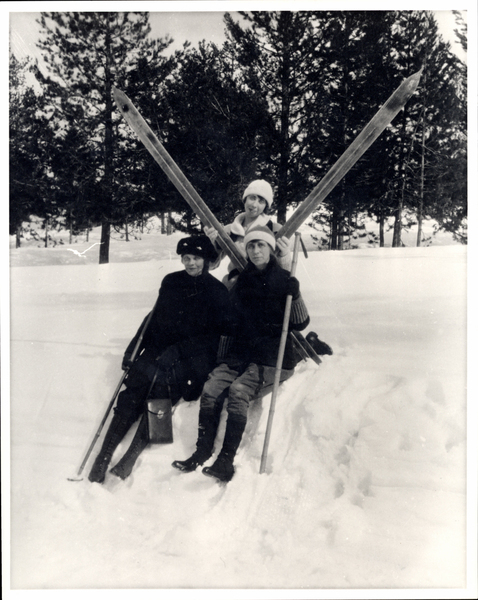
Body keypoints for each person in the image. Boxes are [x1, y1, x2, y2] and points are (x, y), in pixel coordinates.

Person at [172, 225, 310, 483]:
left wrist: (296, 293)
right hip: (242, 353)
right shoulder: (243, 280)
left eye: (261, 245)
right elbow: (230, 320)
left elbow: (301, 322)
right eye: (251, 246)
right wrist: (223, 357)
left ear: (270, 249)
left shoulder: (284, 279)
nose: (256, 250)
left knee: (238, 391)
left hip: (271, 358)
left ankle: (226, 460)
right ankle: (202, 451)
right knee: (212, 387)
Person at [88, 235, 231, 484]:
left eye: (196, 258)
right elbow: (153, 318)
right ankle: (103, 456)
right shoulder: (171, 281)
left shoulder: (217, 290)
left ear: (207, 260)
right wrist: (134, 348)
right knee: (134, 389)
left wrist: (178, 351)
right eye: (186, 258)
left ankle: (130, 457)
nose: (191, 263)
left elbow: (212, 337)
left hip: (193, 357)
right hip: (161, 347)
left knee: (162, 392)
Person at [204, 179, 292, 288]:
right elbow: (210, 266)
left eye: (261, 201)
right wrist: (213, 245)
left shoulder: (275, 229)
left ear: (266, 206)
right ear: (245, 199)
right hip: (235, 286)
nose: (254, 204)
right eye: (252, 198)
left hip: (264, 288)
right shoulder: (229, 230)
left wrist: (284, 254)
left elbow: (285, 272)